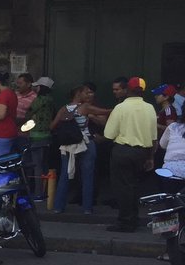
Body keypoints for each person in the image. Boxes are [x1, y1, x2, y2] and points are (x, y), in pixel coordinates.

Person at [103, 76, 158, 233]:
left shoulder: (121, 108)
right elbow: (154, 137)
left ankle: (125, 222)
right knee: (133, 186)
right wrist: (150, 158)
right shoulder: (150, 108)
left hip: (122, 151)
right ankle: (133, 218)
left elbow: (109, 134)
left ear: (127, 90)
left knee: (123, 188)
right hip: (142, 152)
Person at [52, 85, 107, 215]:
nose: (89, 95)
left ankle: (58, 207)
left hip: (67, 146)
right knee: (87, 176)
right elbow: (106, 112)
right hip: (86, 142)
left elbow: (53, 125)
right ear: (78, 93)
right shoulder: (85, 107)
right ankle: (87, 208)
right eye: (86, 93)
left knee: (64, 175)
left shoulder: (63, 109)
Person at [24, 77, 55, 197]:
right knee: (45, 165)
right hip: (47, 135)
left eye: (37, 86)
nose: (35, 88)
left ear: (41, 88)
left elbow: (28, 113)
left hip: (36, 136)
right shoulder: (51, 100)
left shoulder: (39, 100)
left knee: (36, 165)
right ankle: (46, 191)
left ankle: (37, 193)